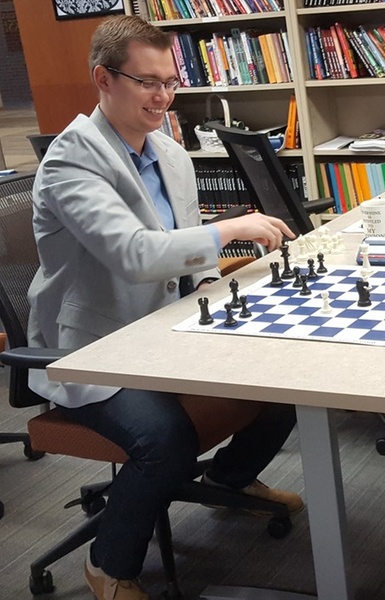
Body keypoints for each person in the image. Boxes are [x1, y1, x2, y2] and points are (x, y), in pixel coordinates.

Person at [28, 15, 303, 600]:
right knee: (165, 440)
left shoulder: (171, 155)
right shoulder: (72, 161)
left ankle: (230, 480)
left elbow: (189, 256)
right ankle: (109, 565)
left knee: (290, 380)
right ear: (104, 79)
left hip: (167, 333)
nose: (162, 97)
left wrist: (209, 292)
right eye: (147, 82)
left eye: (171, 82)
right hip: (94, 351)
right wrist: (232, 228)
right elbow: (134, 254)